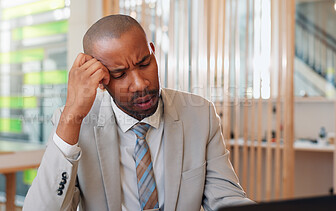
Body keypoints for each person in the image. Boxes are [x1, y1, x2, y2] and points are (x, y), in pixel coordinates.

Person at [23, 14, 253, 211]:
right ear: (100, 80)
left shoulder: (200, 114)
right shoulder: (75, 123)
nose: (140, 84)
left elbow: (226, 199)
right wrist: (72, 116)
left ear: (152, 52)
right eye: (120, 74)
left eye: (144, 64)